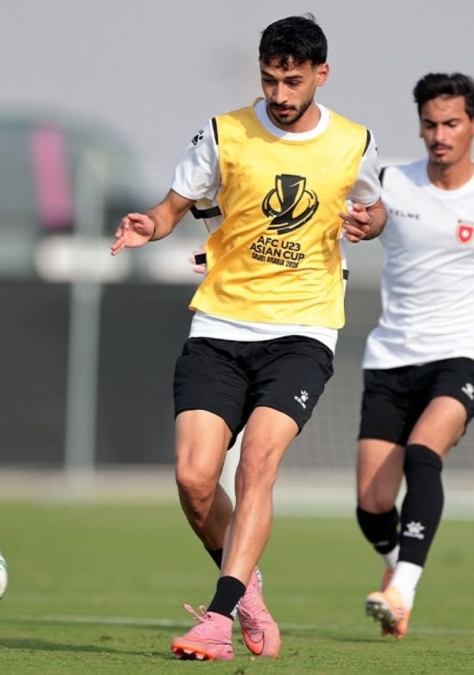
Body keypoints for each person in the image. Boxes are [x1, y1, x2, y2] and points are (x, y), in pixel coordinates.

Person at [110, 14, 386, 661]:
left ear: (321, 74)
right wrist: (148, 224)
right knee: (194, 480)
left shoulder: (354, 142)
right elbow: (171, 209)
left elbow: (374, 210)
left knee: (258, 461)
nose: (281, 95)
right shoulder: (223, 133)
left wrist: (368, 224)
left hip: (302, 332)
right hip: (219, 326)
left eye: (294, 82)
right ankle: (248, 590)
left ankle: (219, 616)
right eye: (270, 80)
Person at [354, 72, 474, 640]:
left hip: (463, 354)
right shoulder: (388, 183)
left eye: (452, 124)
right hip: (390, 356)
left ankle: (403, 589)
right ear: (420, 126)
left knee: (424, 453)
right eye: (430, 124)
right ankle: (397, 564)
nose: (440, 135)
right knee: (372, 505)